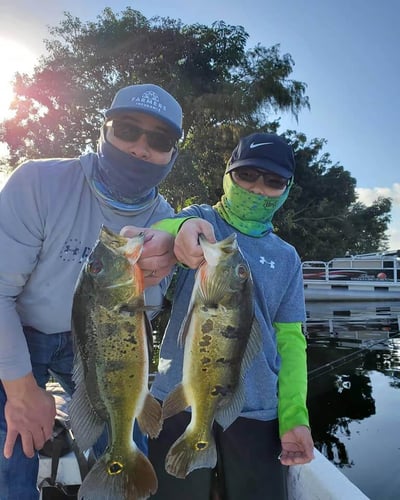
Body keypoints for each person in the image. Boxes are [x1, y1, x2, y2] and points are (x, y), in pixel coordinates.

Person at [0, 83, 183, 500]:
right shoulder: (37, 181)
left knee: (127, 432)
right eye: (127, 129)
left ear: (172, 154)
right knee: (11, 446)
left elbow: (146, 314)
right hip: (18, 330)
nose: (140, 148)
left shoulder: (164, 218)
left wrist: (150, 285)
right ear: (103, 130)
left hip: (101, 346)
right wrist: (22, 391)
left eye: (159, 140)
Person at [148, 132, 315, 499]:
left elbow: (290, 341)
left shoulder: (287, 258)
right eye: (248, 175)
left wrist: (294, 416)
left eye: (273, 182)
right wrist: (179, 231)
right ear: (228, 174)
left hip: (257, 411)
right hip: (180, 401)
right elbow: (160, 233)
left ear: (286, 189)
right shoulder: (201, 223)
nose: (258, 189)